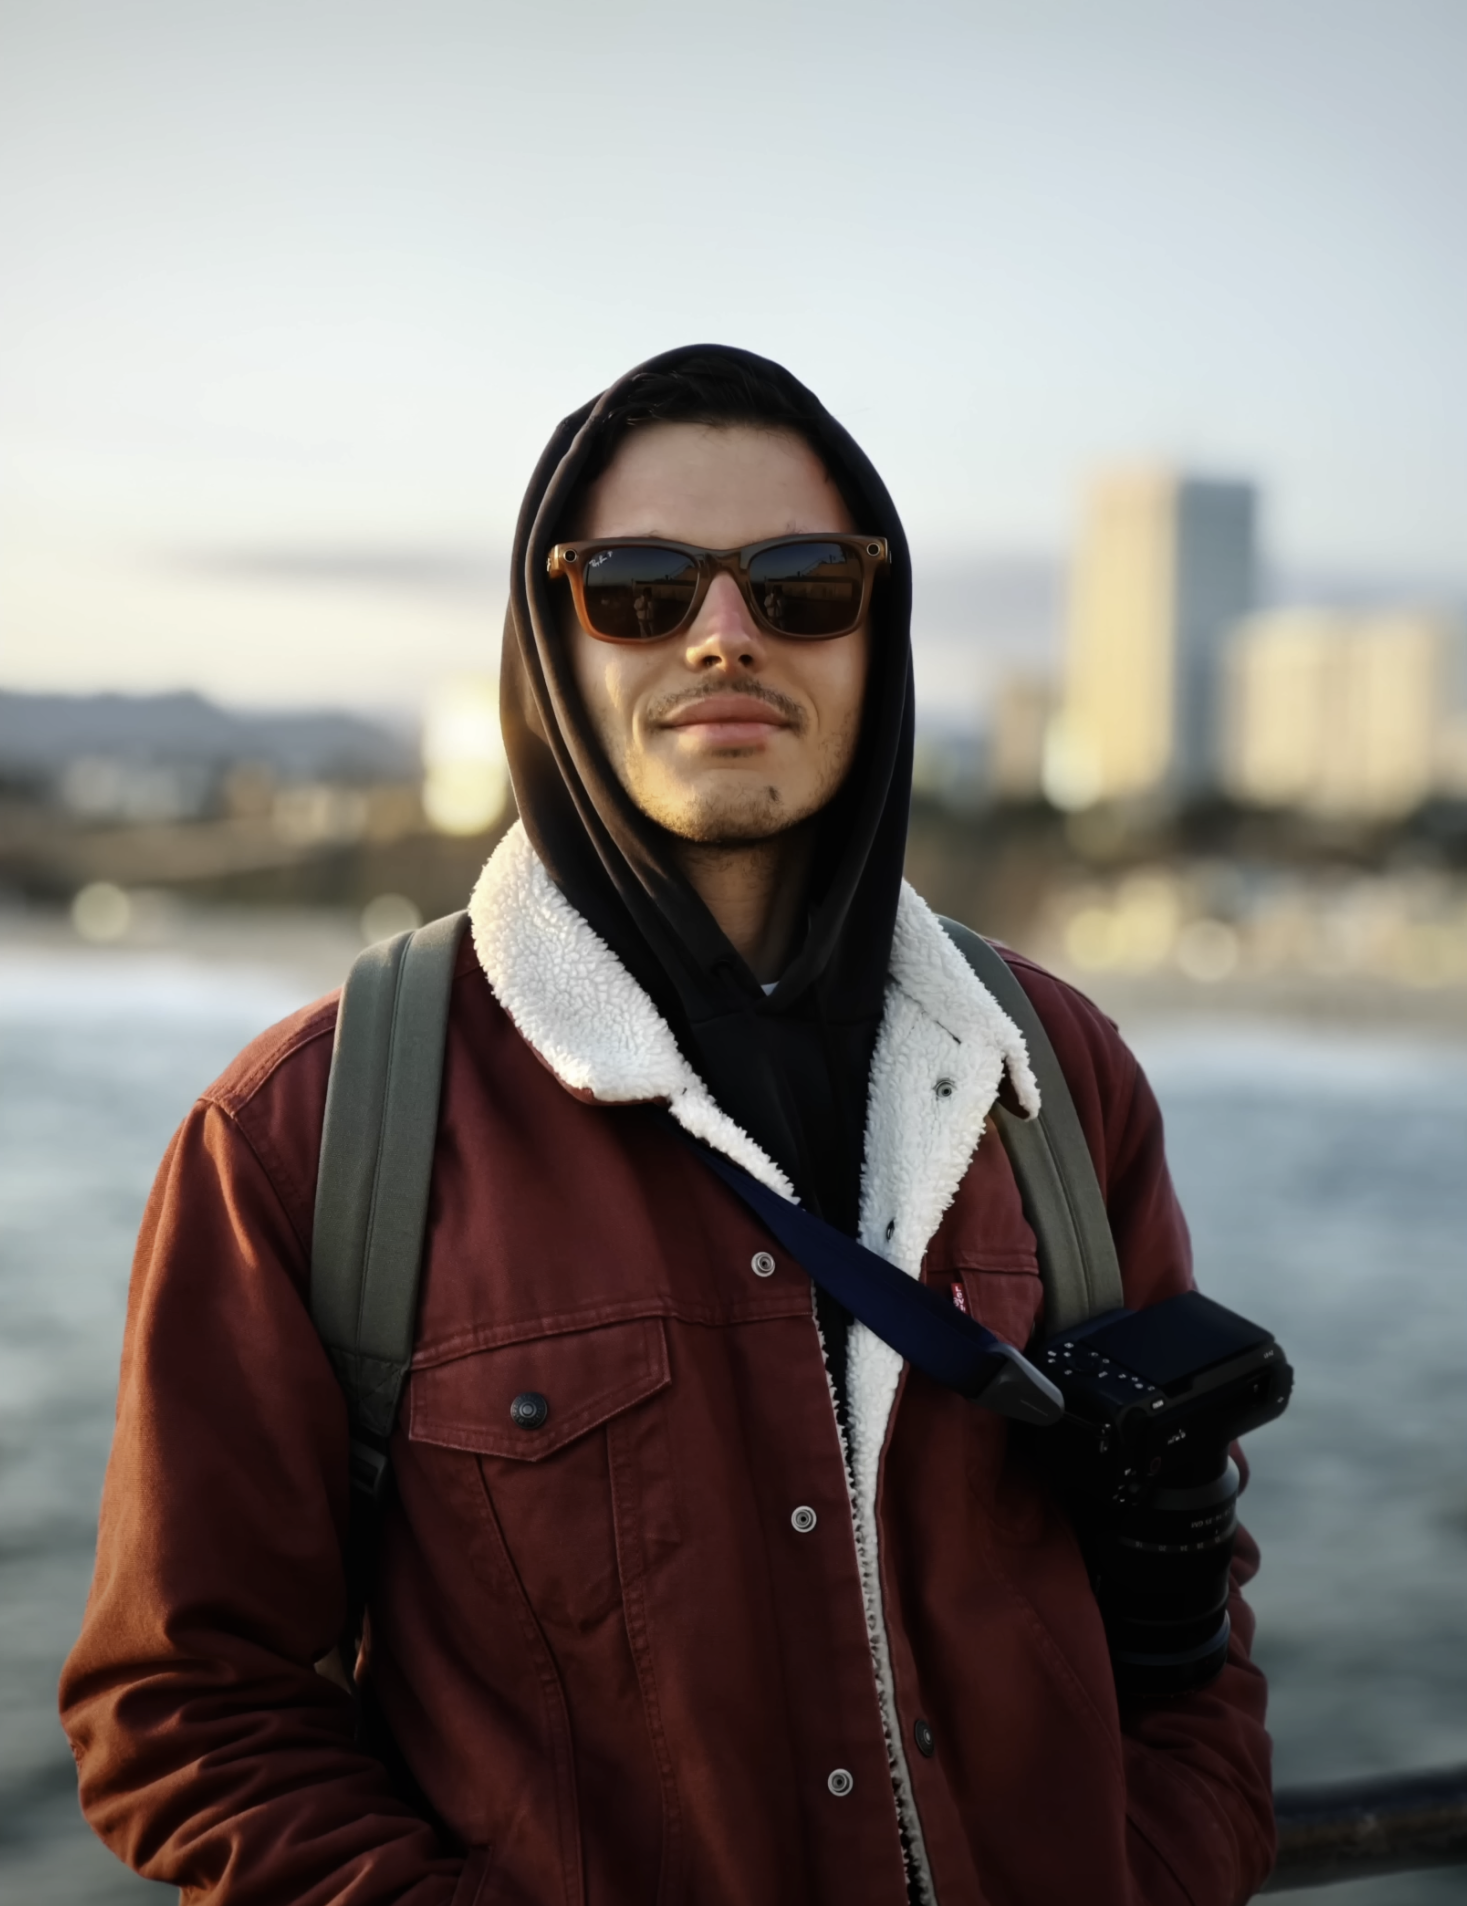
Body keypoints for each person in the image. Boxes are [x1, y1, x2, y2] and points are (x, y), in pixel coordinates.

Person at [61, 345, 1275, 1904]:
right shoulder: (307, 1130)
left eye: (801, 584)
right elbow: (186, 1710)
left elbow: (1186, 1584)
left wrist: (1157, 1868)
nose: (721, 633)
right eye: (638, 588)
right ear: (550, 644)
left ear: (877, 631)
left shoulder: (1049, 1075)